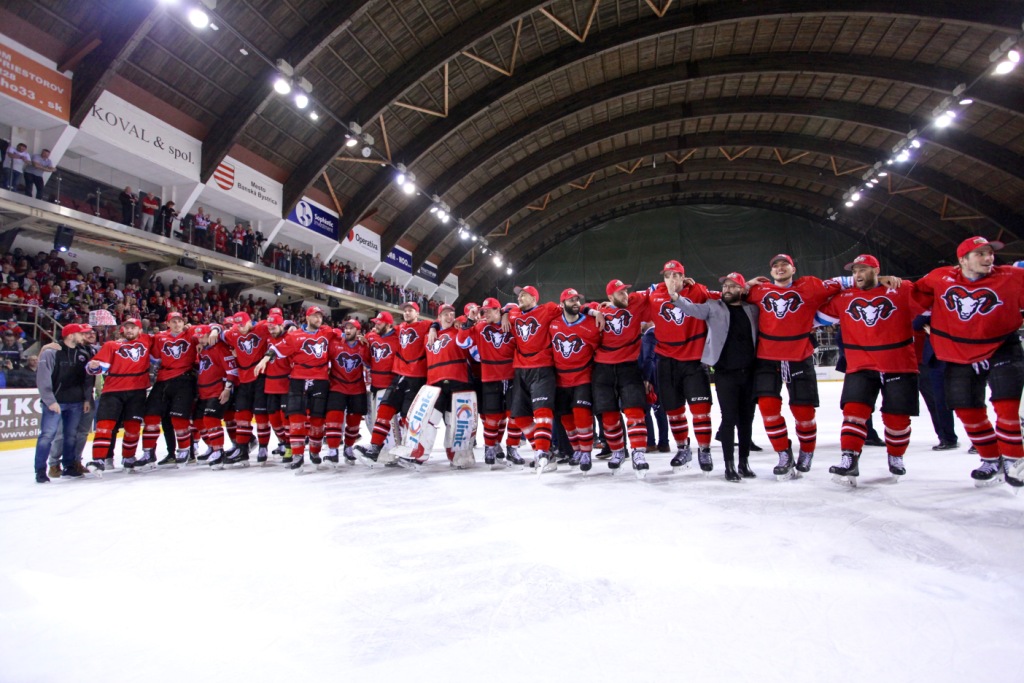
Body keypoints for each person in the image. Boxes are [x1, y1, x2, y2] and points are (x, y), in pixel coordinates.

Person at [910, 236, 1024, 488]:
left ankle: (1014, 459)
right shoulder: (940, 277)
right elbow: (916, 294)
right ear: (962, 260)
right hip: (959, 353)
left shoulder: (1012, 276)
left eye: (990, 253)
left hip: (1002, 347)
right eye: (980, 254)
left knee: (1006, 407)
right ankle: (991, 458)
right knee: (966, 409)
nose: (988, 258)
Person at [817, 255, 919, 484]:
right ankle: (849, 458)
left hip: (899, 364)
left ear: (876, 270)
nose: (858, 274)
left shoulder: (901, 289)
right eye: (854, 271)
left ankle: (896, 456)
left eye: (863, 269)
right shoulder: (844, 298)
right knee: (853, 413)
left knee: (897, 418)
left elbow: (932, 303)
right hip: (860, 365)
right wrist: (841, 284)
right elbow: (814, 309)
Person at [745, 254, 847, 479]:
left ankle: (807, 452)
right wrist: (747, 284)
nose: (780, 268)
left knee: (804, 411)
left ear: (793, 269)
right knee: (768, 409)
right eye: (775, 266)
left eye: (785, 264)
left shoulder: (810, 287)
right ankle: (783, 454)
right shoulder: (759, 291)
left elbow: (844, 282)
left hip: (799, 356)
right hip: (767, 358)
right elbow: (730, 294)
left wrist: (881, 280)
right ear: (770, 271)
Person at [672, 272, 760, 481]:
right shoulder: (713, 307)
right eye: (725, 286)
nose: (727, 289)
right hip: (725, 374)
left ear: (741, 290)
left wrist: (750, 285)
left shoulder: (753, 310)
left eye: (732, 286)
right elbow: (691, 309)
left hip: (749, 373)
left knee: (747, 420)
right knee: (729, 419)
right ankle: (729, 466)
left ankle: (744, 463)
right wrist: (675, 296)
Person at [506, 285, 603, 472]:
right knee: (520, 417)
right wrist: (503, 314)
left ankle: (546, 451)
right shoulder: (513, 313)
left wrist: (593, 311)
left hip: (544, 368)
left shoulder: (548, 309)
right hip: (520, 369)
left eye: (524, 295)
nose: (519, 298)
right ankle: (545, 451)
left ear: (534, 298)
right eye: (519, 295)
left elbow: (573, 307)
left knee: (545, 411)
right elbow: (504, 311)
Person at [649, 259, 714, 471]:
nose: (671, 279)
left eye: (676, 275)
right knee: (674, 410)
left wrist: (747, 285)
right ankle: (682, 449)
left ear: (683, 277)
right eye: (667, 276)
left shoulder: (698, 291)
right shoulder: (653, 294)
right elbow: (625, 301)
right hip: (666, 361)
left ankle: (704, 450)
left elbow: (727, 296)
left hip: (694, 361)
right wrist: (595, 310)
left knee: (700, 410)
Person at [255, 306, 334, 471]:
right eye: (315, 316)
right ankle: (297, 455)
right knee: (296, 418)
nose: (318, 319)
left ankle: (315, 451)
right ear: (307, 317)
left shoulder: (327, 332)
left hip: (320, 379)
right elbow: (276, 348)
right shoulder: (294, 336)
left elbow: (343, 336)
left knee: (318, 419)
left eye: (320, 316)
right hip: (298, 379)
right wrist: (264, 360)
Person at [356, 302, 433, 465]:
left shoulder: (425, 325)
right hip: (399, 376)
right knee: (384, 409)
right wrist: (369, 337)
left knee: (408, 416)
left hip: (417, 377)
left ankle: (412, 451)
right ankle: (375, 448)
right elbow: (384, 332)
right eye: (405, 311)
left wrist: (434, 328)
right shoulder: (399, 328)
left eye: (410, 310)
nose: (407, 313)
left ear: (417, 313)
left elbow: (439, 323)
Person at [595, 278, 655, 473]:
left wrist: (682, 284)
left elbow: (655, 290)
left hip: (629, 366)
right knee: (608, 414)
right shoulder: (600, 310)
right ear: (610, 296)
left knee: (635, 410)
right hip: (603, 368)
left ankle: (638, 452)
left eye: (625, 291)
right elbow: (576, 310)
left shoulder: (635, 303)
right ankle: (618, 451)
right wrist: (594, 312)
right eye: (620, 292)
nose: (625, 295)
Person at [463, 298, 525, 468]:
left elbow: (519, 310)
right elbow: (462, 342)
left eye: (489, 310)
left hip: (512, 376)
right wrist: (469, 321)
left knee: (515, 414)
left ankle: (512, 448)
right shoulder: (480, 327)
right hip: (490, 377)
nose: (485, 313)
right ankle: (489, 447)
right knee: (492, 416)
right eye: (484, 311)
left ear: (498, 310)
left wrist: (506, 314)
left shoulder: (512, 324)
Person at [86, 318, 153, 471]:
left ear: (140, 330)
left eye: (133, 328)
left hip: (137, 391)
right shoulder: (111, 345)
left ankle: (128, 457)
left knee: (133, 427)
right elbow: (99, 367)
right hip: (113, 392)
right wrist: (94, 366)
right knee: (105, 426)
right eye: (127, 327)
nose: (129, 330)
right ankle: (99, 459)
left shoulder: (148, 341)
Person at [549, 288, 603, 474]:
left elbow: (600, 348)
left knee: (581, 414)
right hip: (560, 379)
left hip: (583, 376)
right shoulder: (553, 323)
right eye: (571, 300)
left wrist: (594, 312)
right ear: (562, 303)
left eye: (577, 300)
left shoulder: (590, 323)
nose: (575, 303)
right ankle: (577, 449)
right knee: (566, 418)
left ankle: (586, 451)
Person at [137, 312, 198, 468]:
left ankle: (185, 451)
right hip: (163, 379)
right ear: (167, 323)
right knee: (151, 415)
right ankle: (149, 452)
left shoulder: (191, 334)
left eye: (180, 321)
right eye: (173, 321)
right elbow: (143, 341)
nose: (177, 324)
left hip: (185, 379)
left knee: (179, 418)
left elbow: (211, 329)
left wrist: (213, 330)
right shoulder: (159, 337)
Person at [34, 324, 93, 483]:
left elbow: (87, 379)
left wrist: (86, 399)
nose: (83, 336)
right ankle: (40, 470)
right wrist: (50, 400)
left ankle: (69, 466)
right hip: (55, 402)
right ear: (71, 335)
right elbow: (43, 378)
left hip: (76, 402)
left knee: (71, 436)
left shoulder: (83, 353)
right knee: (47, 435)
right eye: (80, 333)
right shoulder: (51, 352)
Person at [324, 320, 370, 466]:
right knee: (333, 418)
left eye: (351, 328)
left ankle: (349, 448)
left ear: (358, 331)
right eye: (346, 328)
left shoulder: (363, 346)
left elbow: (370, 364)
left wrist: (368, 345)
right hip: (337, 386)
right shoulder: (335, 343)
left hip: (357, 387)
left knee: (354, 421)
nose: (348, 330)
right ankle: (332, 451)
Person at [913, 315, 958, 450]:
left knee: (940, 400)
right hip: (915, 359)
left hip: (933, 357)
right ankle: (946, 437)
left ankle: (948, 437)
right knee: (935, 401)